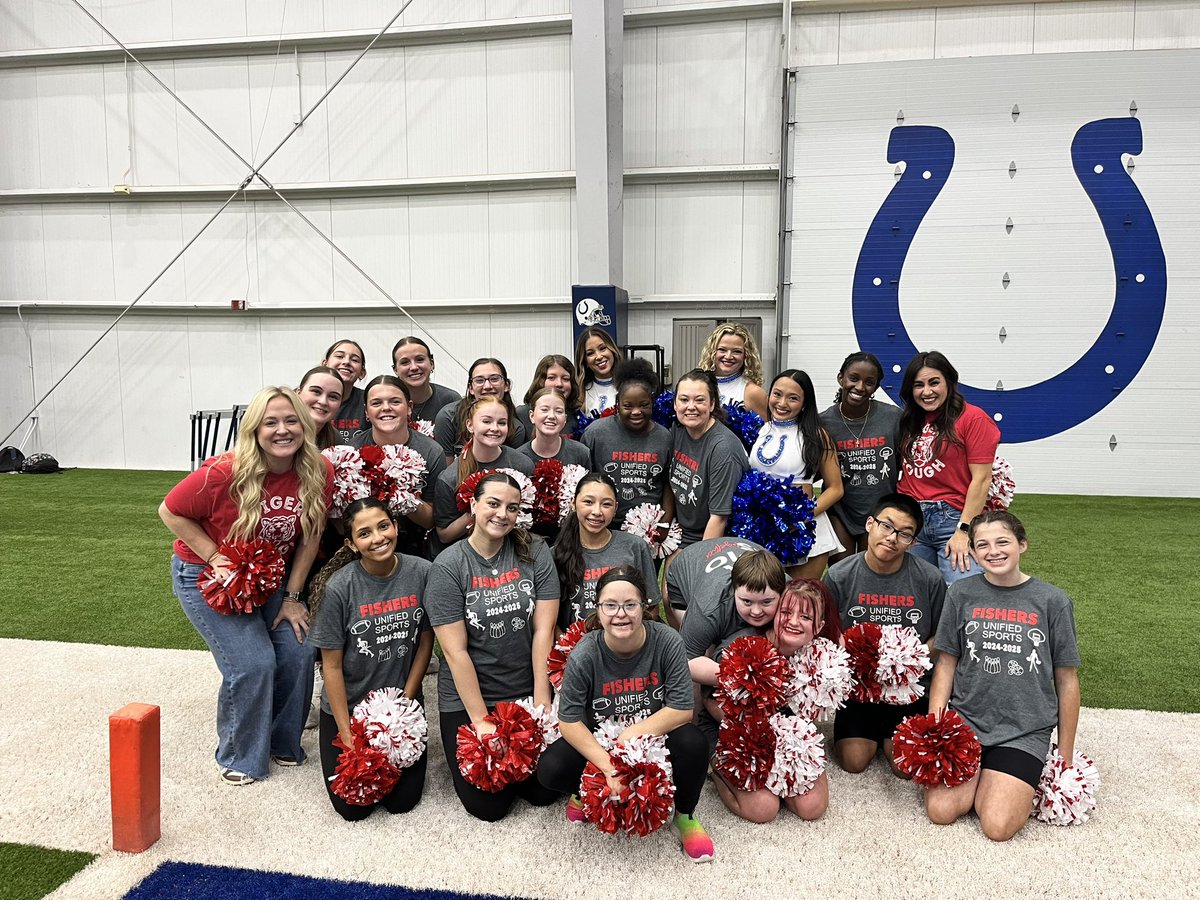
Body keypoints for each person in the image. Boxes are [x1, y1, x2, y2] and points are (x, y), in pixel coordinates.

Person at [158, 386, 333, 785]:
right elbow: (170, 511)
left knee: (299, 650)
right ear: (254, 429)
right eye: (270, 422)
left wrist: (291, 597)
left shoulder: (319, 471)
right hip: (206, 576)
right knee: (254, 663)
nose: (282, 430)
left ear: (305, 426)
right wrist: (215, 557)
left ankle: (280, 742)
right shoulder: (223, 471)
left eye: (291, 420)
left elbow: (310, 537)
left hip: (266, 578)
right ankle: (239, 754)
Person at [536, 566, 714, 864]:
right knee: (551, 768)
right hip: (602, 740)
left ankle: (684, 815)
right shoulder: (585, 652)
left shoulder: (667, 641)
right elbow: (568, 720)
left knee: (694, 744)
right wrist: (608, 767)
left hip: (655, 737)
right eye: (611, 605)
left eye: (630, 604)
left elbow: (683, 708)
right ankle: (585, 790)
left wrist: (634, 733)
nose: (621, 614)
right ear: (598, 609)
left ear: (644, 607)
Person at [924, 510, 1081, 842]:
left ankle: (1000, 776)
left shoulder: (1053, 601)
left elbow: (1066, 680)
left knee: (997, 826)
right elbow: (947, 665)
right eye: (982, 545)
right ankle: (983, 774)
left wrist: (1064, 757)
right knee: (941, 812)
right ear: (974, 552)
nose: (993, 551)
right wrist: (937, 728)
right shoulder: (961, 594)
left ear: (1022, 544)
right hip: (966, 722)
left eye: (1002, 542)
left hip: (1024, 730)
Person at [425, 473, 562, 821]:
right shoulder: (448, 567)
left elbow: (543, 630)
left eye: (512, 508)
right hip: (473, 695)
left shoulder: (534, 550)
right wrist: (481, 722)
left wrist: (541, 699)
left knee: (545, 791)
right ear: (473, 505)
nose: (502, 514)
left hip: (524, 688)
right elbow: (454, 653)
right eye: (493, 503)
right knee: (489, 807)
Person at [307, 499, 434, 820]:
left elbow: (425, 640)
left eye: (383, 526)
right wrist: (346, 733)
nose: (378, 538)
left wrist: (406, 702)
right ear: (351, 543)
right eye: (364, 533)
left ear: (395, 526)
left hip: (401, 710)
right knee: (352, 808)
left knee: (402, 802)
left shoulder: (422, 572)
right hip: (349, 711)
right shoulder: (340, 587)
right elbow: (330, 666)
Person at [823, 493, 945, 777]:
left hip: (908, 688)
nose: (892, 538)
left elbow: (941, 636)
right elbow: (827, 634)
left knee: (904, 768)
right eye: (886, 526)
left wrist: (908, 659)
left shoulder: (929, 578)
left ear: (913, 542)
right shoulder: (839, 575)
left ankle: (892, 734)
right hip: (859, 687)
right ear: (870, 524)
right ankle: (868, 732)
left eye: (904, 534)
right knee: (853, 762)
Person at [709, 579, 835, 823]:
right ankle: (716, 770)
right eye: (786, 612)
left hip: (789, 743)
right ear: (775, 614)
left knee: (812, 808)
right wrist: (759, 734)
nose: (794, 622)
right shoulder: (745, 646)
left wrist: (793, 750)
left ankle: (780, 779)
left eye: (806, 617)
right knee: (764, 809)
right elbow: (709, 701)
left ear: (818, 626)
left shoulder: (823, 657)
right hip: (739, 735)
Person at [897, 351, 1001, 585]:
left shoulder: (973, 418)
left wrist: (963, 531)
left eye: (934, 382)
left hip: (952, 519)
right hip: (913, 521)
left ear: (949, 382)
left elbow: (982, 480)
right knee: (914, 596)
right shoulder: (910, 420)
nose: (927, 392)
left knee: (962, 592)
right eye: (918, 385)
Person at [749, 369, 845, 579]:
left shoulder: (817, 435)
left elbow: (836, 488)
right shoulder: (761, 430)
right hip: (763, 528)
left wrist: (800, 518)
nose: (782, 403)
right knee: (764, 601)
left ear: (804, 403)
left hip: (805, 531)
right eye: (777, 394)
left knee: (800, 603)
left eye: (793, 398)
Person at [349, 375, 447, 558]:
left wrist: (401, 494)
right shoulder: (352, 452)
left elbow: (432, 520)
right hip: (363, 550)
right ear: (366, 412)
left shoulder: (431, 451)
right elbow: (343, 521)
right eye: (376, 403)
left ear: (409, 408)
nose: (386, 408)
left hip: (417, 549)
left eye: (395, 401)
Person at [819, 352, 902, 561]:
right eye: (854, 378)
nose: (860, 387)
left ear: (876, 387)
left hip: (880, 511)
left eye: (869, 382)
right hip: (841, 512)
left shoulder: (893, 418)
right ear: (841, 378)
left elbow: (905, 462)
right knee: (841, 573)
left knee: (872, 571)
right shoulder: (823, 422)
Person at [552, 473, 660, 627]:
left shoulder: (634, 546)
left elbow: (652, 607)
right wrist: (566, 645)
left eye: (606, 504)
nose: (597, 511)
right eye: (588, 502)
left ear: (615, 508)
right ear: (573, 503)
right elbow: (549, 618)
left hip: (624, 643)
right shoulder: (556, 554)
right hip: (576, 647)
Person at [580, 357, 674, 530]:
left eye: (644, 405)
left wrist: (664, 523)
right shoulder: (595, 433)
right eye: (628, 406)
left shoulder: (664, 437)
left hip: (649, 527)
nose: (636, 411)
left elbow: (668, 484)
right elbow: (583, 483)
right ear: (617, 405)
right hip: (604, 525)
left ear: (653, 404)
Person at [433, 397, 535, 550]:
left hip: (513, 548)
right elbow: (444, 535)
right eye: (486, 421)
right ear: (470, 425)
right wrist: (478, 509)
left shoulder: (522, 464)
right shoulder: (449, 478)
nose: (494, 428)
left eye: (501, 423)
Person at [668, 369, 749, 552]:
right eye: (684, 399)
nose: (691, 407)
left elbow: (719, 518)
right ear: (674, 404)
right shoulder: (677, 431)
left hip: (713, 540)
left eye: (699, 400)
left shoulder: (723, 448)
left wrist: (698, 563)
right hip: (681, 534)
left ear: (712, 404)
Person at [434, 358, 526, 459]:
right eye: (479, 380)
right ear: (471, 388)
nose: (487, 386)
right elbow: (447, 470)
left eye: (494, 379)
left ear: (506, 385)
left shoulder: (516, 428)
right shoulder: (448, 417)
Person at [697, 322, 769, 420]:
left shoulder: (753, 392)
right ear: (712, 352)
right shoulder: (698, 383)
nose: (728, 356)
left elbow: (766, 432)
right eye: (722, 350)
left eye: (737, 351)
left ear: (746, 355)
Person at [391, 336, 462, 433]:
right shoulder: (388, 404)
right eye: (405, 362)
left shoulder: (451, 401)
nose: (414, 367)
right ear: (395, 370)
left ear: (432, 364)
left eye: (419, 360)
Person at [518, 387, 591, 469]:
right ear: (532, 416)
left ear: (565, 419)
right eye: (544, 410)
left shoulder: (581, 453)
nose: (551, 416)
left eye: (559, 411)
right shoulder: (519, 457)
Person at [514, 355, 582, 439]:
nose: (559, 384)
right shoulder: (521, 414)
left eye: (565, 379)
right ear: (540, 381)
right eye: (551, 378)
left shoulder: (579, 416)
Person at [321, 339, 368, 443]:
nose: (346, 362)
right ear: (324, 364)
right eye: (339, 356)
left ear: (362, 372)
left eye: (354, 360)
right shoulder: (306, 398)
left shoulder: (369, 400)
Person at [296, 365, 345, 450]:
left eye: (333, 397)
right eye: (316, 391)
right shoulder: (281, 431)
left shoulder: (335, 440)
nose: (323, 402)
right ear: (298, 393)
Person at [575, 327, 621, 414]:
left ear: (612, 350)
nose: (599, 356)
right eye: (590, 353)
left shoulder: (630, 385)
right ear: (585, 361)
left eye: (602, 348)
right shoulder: (579, 393)